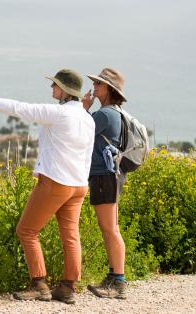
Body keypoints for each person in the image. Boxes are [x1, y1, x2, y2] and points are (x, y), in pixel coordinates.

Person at [0, 68, 95, 304]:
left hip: (56, 182)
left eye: (54, 85)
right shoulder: (87, 117)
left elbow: (19, 108)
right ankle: (67, 288)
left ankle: (39, 284)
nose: (51, 88)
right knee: (71, 236)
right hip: (79, 185)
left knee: (27, 230)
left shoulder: (58, 113)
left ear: (63, 90)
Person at [82, 67, 128, 299]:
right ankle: (114, 277)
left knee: (110, 228)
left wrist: (83, 109)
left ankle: (118, 281)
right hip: (108, 176)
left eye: (98, 84)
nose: (94, 87)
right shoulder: (113, 113)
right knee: (110, 228)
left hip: (103, 176)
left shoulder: (105, 115)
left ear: (109, 89)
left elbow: (80, 133)